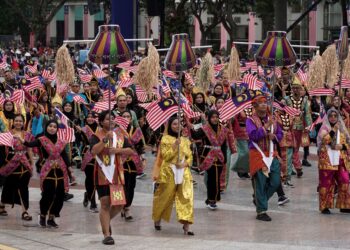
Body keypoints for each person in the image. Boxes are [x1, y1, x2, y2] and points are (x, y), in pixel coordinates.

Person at [90, 111, 134, 245]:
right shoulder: (96, 135)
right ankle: (107, 235)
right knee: (105, 203)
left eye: (112, 119)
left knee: (120, 204)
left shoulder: (120, 136)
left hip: (116, 174)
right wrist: (104, 140)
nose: (111, 121)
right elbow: (93, 151)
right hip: (103, 173)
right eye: (108, 119)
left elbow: (131, 150)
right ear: (102, 121)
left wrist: (118, 151)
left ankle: (106, 221)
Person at [20, 119, 71, 228]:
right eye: (50, 126)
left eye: (54, 127)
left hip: (60, 171)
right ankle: (43, 215)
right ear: (46, 127)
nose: (52, 128)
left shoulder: (61, 141)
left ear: (57, 129)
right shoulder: (42, 140)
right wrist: (22, 140)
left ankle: (52, 217)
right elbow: (29, 144)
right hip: (48, 171)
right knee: (48, 195)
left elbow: (64, 155)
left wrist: (69, 167)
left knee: (60, 196)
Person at [152, 116, 194, 235]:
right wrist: (175, 145)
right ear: (170, 126)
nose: (177, 126)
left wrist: (185, 164)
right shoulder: (165, 139)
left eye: (179, 124)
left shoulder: (185, 140)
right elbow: (165, 156)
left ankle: (187, 225)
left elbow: (190, 157)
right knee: (164, 196)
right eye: (174, 124)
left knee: (186, 196)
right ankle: (157, 218)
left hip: (184, 172)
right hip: (169, 171)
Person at [247, 94, 282, 221]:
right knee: (260, 182)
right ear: (255, 106)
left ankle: (259, 198)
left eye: (265, 102)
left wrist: (275, 136)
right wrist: (266, 127)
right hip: (258, 154)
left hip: (272, 153)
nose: (263, 105)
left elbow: (280, 133)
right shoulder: (250, 120)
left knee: (275, 181)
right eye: (260, 103)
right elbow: (253, 136)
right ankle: (261, 211)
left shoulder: (273, 118)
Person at [191, 110, 235, 210]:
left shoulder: (223, 129)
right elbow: (195, 136)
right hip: (208, 156)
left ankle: (210, 199)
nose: (215, 119)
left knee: (217, 178)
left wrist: (225, 158)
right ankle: (212, 200)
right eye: (212, 117)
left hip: (220, 156)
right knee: (212, 178)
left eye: (216, 117)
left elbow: (224, 145)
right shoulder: (205, 128)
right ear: (209, 118)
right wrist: (190, 126)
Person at [0, 114, 34, 220]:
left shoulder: (27, 135)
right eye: (16, 121)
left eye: (20, 121)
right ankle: (2, 204)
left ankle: (25, 211)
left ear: (23, 122)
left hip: (24, 164)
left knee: (23, 188)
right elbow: (3, 149)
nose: (18, 123)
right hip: (11, 164)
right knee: (8, 186)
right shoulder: (7, 134)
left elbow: (29, 149)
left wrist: (32, 163)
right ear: (13, 122)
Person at [317, 108, 350, 214]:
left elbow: (348, 143)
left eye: (335, 116)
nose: (333, 118)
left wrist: (342, 146)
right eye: (331, 116)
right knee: (326, 183)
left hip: (341, 159)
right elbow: (325, 140)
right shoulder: (324, 127)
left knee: (345, 180)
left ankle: (344, 205)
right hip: (327, 160)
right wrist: (334, 130)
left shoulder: (342, 128)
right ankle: (324, 206)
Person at [119, 110, 145, 221]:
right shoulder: (116, 131)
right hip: (121, 160)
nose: (126, 118)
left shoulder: (136, 130)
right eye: (124, 116)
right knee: (123, 185)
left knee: (131, 186)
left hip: (133, 161)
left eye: (128, 116)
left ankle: (127, 205)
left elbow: (140, 145)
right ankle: (125, 208)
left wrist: (142, 156)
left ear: (131, 118)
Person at [284, 77, 312, 177]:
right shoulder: (287, 99)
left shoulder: (305, 101)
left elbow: (307, 114)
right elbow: (283, 112)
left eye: (297, 88)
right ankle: (298, 166)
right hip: (288, 127)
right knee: (292, 147)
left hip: (299, 127)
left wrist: (309, 126)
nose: (295, 90)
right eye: (294, 88)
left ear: (300, 89)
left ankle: (292, 167)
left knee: (295, 147)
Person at [80, 112, 99, 213]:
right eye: (88, 117)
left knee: (96, 179)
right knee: (90, 179)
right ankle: (93, 202)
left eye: (93, 117)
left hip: (99, 156)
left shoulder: (101, 130)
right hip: (87, 155)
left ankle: (87, 194)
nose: (90, 119)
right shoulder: (83, 129)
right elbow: (78, 141)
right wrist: (79, 132)